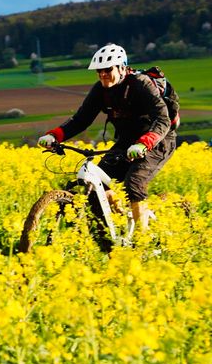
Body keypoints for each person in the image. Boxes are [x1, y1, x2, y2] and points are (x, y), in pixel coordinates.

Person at [37, 43, 175, 233]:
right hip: (127, 142)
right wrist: (55, 135)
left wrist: (145, 142)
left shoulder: (141, 84)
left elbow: (162, 119)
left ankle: (142, 243)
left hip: (158, 139)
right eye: (99, 71)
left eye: (107, 70)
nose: (103, 75)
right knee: (95, 183)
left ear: (121, 67)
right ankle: (113, 236)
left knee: (134, 183)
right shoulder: (100, 90)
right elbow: (81, 120)